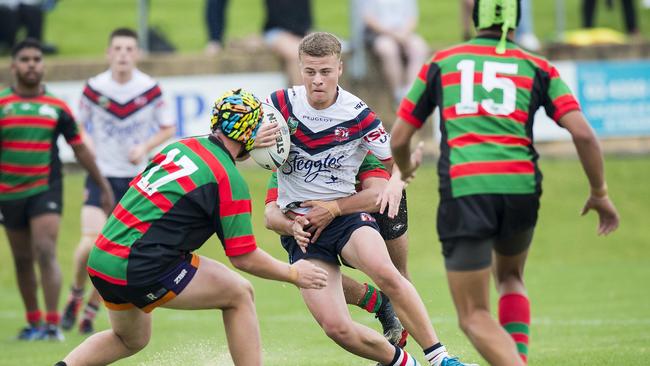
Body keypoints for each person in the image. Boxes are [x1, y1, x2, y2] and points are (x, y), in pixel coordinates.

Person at [384, 0, 620, 365]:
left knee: (473, 315)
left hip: (466, 190)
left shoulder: (442, 62)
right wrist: (600, 192)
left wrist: (404, 168)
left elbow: (399, 138)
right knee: (510, 277)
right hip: (521, 188)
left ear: (475, 15)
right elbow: (585, 136)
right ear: (517, 19)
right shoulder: (538, 66)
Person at [54, 88, 328, 366]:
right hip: (139, 264)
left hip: (102, 258)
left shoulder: (179, 147)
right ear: (249, 133)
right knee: (239, 294)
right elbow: (244, 257)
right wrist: (293, 273)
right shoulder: (227, 178)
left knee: (129, 339)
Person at [263, 31, 476, 366]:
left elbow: (395, 162)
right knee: (337, 328)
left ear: (340, 69)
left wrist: (397, 180)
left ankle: (440, 358)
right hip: (303, 230)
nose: (317, 80)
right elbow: (244, 150)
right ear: (300, 68)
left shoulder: (358, 114)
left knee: (387, 272)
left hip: (346, 218)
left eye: (325, 71)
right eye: (309, 72)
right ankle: (404, 363)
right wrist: (254, 140)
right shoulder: (277, 105)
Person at [60, 27, 176, 335]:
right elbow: (77, 125)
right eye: (118, 49)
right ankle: (75, 293)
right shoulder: (93, 89)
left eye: (129, 49)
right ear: (108, 53)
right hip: (101, 175)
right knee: (90, 243)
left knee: (116, 249)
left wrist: (145, 147)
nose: (123, 54)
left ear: (136, 54)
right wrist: (87, 143)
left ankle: (93, 307)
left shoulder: (149, 89)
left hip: (137, 181)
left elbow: (167, 127)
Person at [0, 38, 114, 341]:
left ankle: (52, 326)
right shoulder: (2, 105)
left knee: (45, 250)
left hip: (44, 189)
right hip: (8, 193)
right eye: (25, 59)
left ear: (43, 65)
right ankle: (34, 322)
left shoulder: (56, 107)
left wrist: (102, 186)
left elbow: (80, 149)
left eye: (37, 59)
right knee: (22, 259)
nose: (32, 64)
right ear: (14, 66)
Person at [263, 153, 410, 347]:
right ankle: (378, 304)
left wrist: (398, 178)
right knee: (307, 274)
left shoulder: (361, 141)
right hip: (322, 211)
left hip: (376, 194)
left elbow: (386, 177)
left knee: (395, 272)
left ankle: (428, 349)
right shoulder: (292, 157)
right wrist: (292, 226)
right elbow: (271, 213)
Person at [362, 0, 429, 104]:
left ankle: (411, 91)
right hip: (380, 33)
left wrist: (404, 34)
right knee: (388, 50)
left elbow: (412, 18)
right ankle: (398, 92)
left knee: (419, 47)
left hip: (404, 33)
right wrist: (392, 34)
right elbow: (369, 19)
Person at [262, 0, 312, 86]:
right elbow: (278, 17)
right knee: (296, 54)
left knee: (331, 48)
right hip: (277, 31)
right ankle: (299, 96)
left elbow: (305, 17)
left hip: (301, 32)